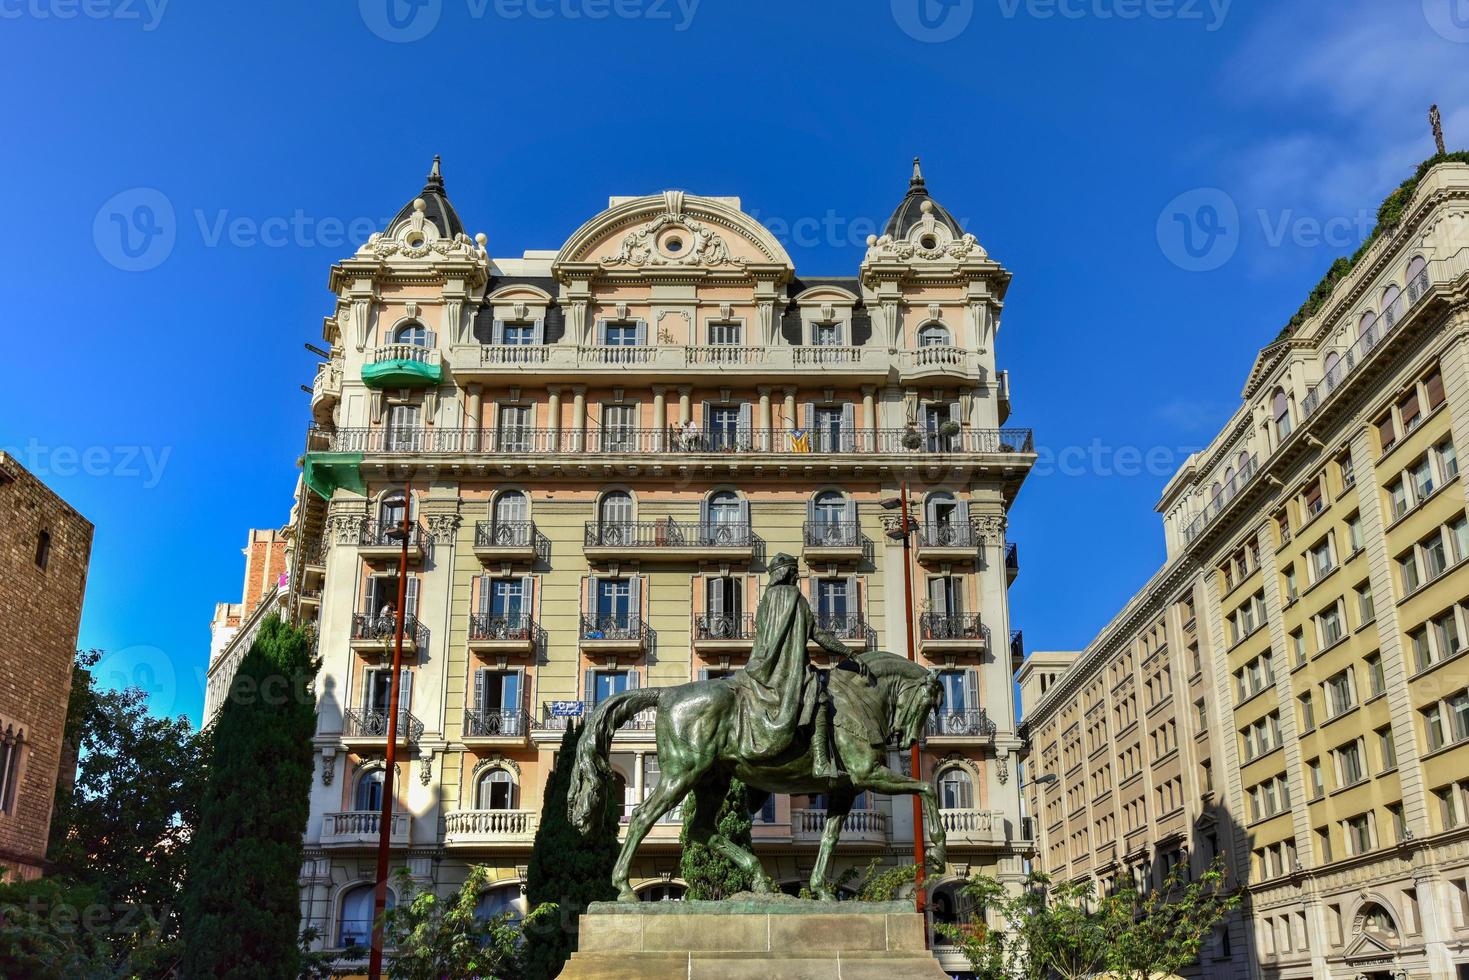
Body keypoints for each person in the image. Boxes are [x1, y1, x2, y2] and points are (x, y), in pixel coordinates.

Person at [729, 553, 861, 778]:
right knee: (819, 697)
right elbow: (817, 634)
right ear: (787, 574)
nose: (797, 576)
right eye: (794, 572)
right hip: (789, 672)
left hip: (761, 669)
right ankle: (820, 761)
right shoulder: (796, 598)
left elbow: (761, 635)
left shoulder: (766, 601)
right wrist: (848, 652)